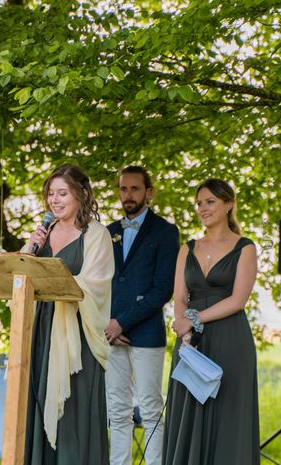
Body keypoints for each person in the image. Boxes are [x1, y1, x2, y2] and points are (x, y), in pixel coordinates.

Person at [162, 178, 260, 465]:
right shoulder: (187, 248)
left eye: (210, 202)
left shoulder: (245, 247)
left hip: (230, 339)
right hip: (192, 342)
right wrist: (184, 327)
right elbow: (179, 296)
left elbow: (238, 300)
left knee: (228, 414)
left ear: (228, 204)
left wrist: (194, 318)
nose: (202, 208)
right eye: (199, 203)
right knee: (189, 409)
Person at [23, 164, 114, 465]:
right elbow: (20, 272)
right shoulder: (43, 233)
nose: (55, 200)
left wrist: (58, 280)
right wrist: (32, 249)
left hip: (78, 335)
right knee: (38, 402)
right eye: (51, 193)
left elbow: (96, 283)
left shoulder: (96, 234)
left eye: (62, 193)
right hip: (42, 331)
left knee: (73, 413)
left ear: (82, 195)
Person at [105, 166, 179, 465]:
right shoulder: (108, 232)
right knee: (117, 410)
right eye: (123, 189)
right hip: (111, 334)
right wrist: (108, 325)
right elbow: (101, 286)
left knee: (150, 409)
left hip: (146, 334)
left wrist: (122, 321)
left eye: (135, 189)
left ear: (149, 192)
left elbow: (163, 289)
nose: (128, 195)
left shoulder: (165, 231)